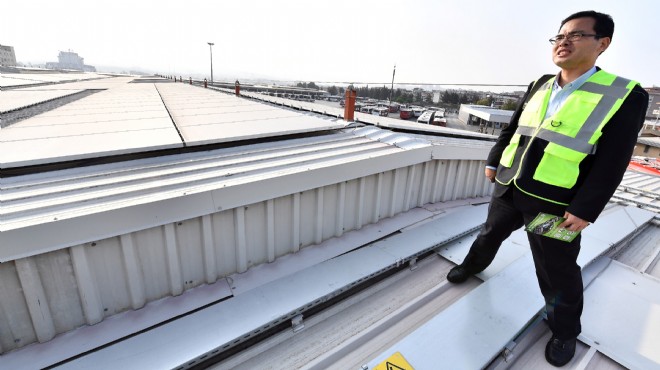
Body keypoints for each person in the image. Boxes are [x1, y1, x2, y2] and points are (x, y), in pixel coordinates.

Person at [446, 10, 648, 367]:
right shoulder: (541, 83)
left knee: (555, 269)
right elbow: (514, 129)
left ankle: (564, 330)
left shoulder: (622, 93)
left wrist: (586, 208)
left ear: (603, 44)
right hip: (509, 187)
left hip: (554, 203)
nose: (563, 42)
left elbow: (614, 160)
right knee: (490, 232)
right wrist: (495, 159)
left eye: (576, 35)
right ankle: (472, 266)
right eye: (559, 36)